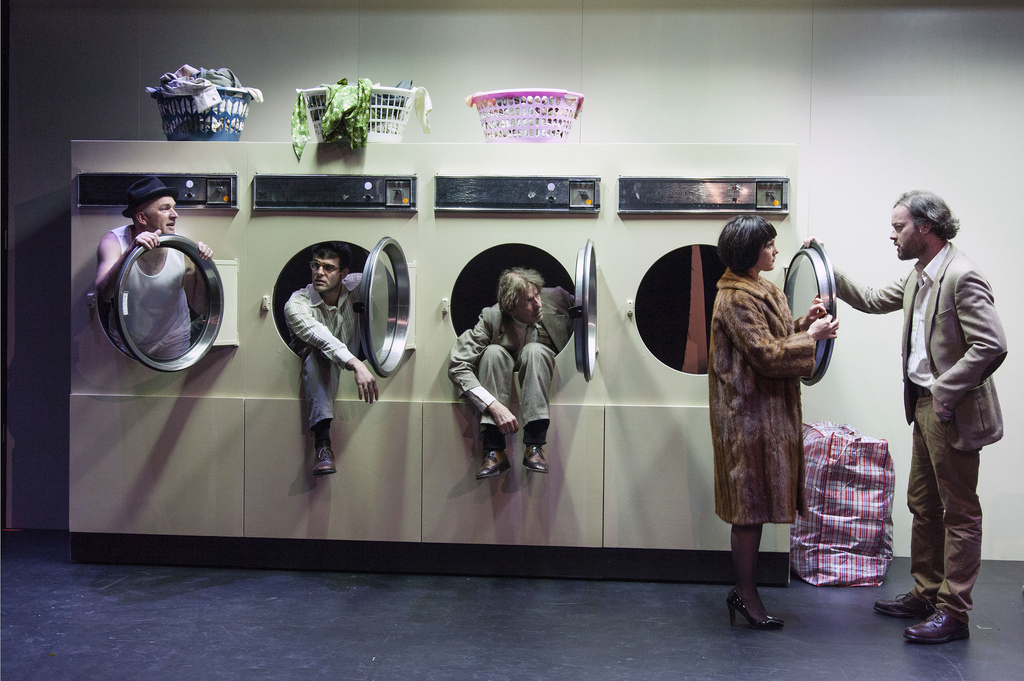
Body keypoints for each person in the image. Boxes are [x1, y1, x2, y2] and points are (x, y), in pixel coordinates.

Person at [819, 190, 1006, 644]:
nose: (892, 234)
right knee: (923, 505)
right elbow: (868, 298)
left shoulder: (961, 275)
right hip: (922, 406)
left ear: (925, 227)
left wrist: (944, 392)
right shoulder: (918, 276)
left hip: (951, 410)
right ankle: (926, 593)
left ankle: (954, 613)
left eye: (898, 226)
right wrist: (823, 267)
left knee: (959, 513)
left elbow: (991, 345)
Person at [709, 215, 838, 630]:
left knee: (755, 507)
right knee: (748, 510)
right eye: (768, 245)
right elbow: (764, 354)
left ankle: (744, 592)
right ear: (750, 251)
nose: (776, 250)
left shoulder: (762, 288)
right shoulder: (734, 298)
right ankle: (745, 595)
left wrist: (803, 324)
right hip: (746, 418)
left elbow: (775, 336)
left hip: (764, 415)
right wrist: (811, 338)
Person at [449, 268, 573, 479]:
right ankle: (494, 450)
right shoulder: (491, 317)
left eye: (537, 295)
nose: (538, 304)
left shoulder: (558, 298)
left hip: (543, 370)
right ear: (511, 309)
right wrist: (492, 405)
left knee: (535, 351)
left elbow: (593, 310)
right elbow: (458, 365)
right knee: (492, 353)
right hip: (502, 371)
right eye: (528, 301)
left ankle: (535, 446)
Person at [285, 241, 378, 477]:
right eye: (315, 265)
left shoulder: (358, 285)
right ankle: (323, 445)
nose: (319, 272)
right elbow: (323, 339)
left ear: (343, 273)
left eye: (328, 267)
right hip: (318, 369)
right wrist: (356, 364)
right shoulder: (297, 304)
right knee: (318, 351)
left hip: (354, 370)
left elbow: (391, 284)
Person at [95, 176, 212, 358]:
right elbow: (104, 293)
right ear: (142, 217)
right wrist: (131, 251)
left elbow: (200, 307)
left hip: (174, 336)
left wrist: (202, 265)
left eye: (174, 207)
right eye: (165, 209)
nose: (175, 214)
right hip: (127, 338)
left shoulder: (181, 248)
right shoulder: (115, 242)